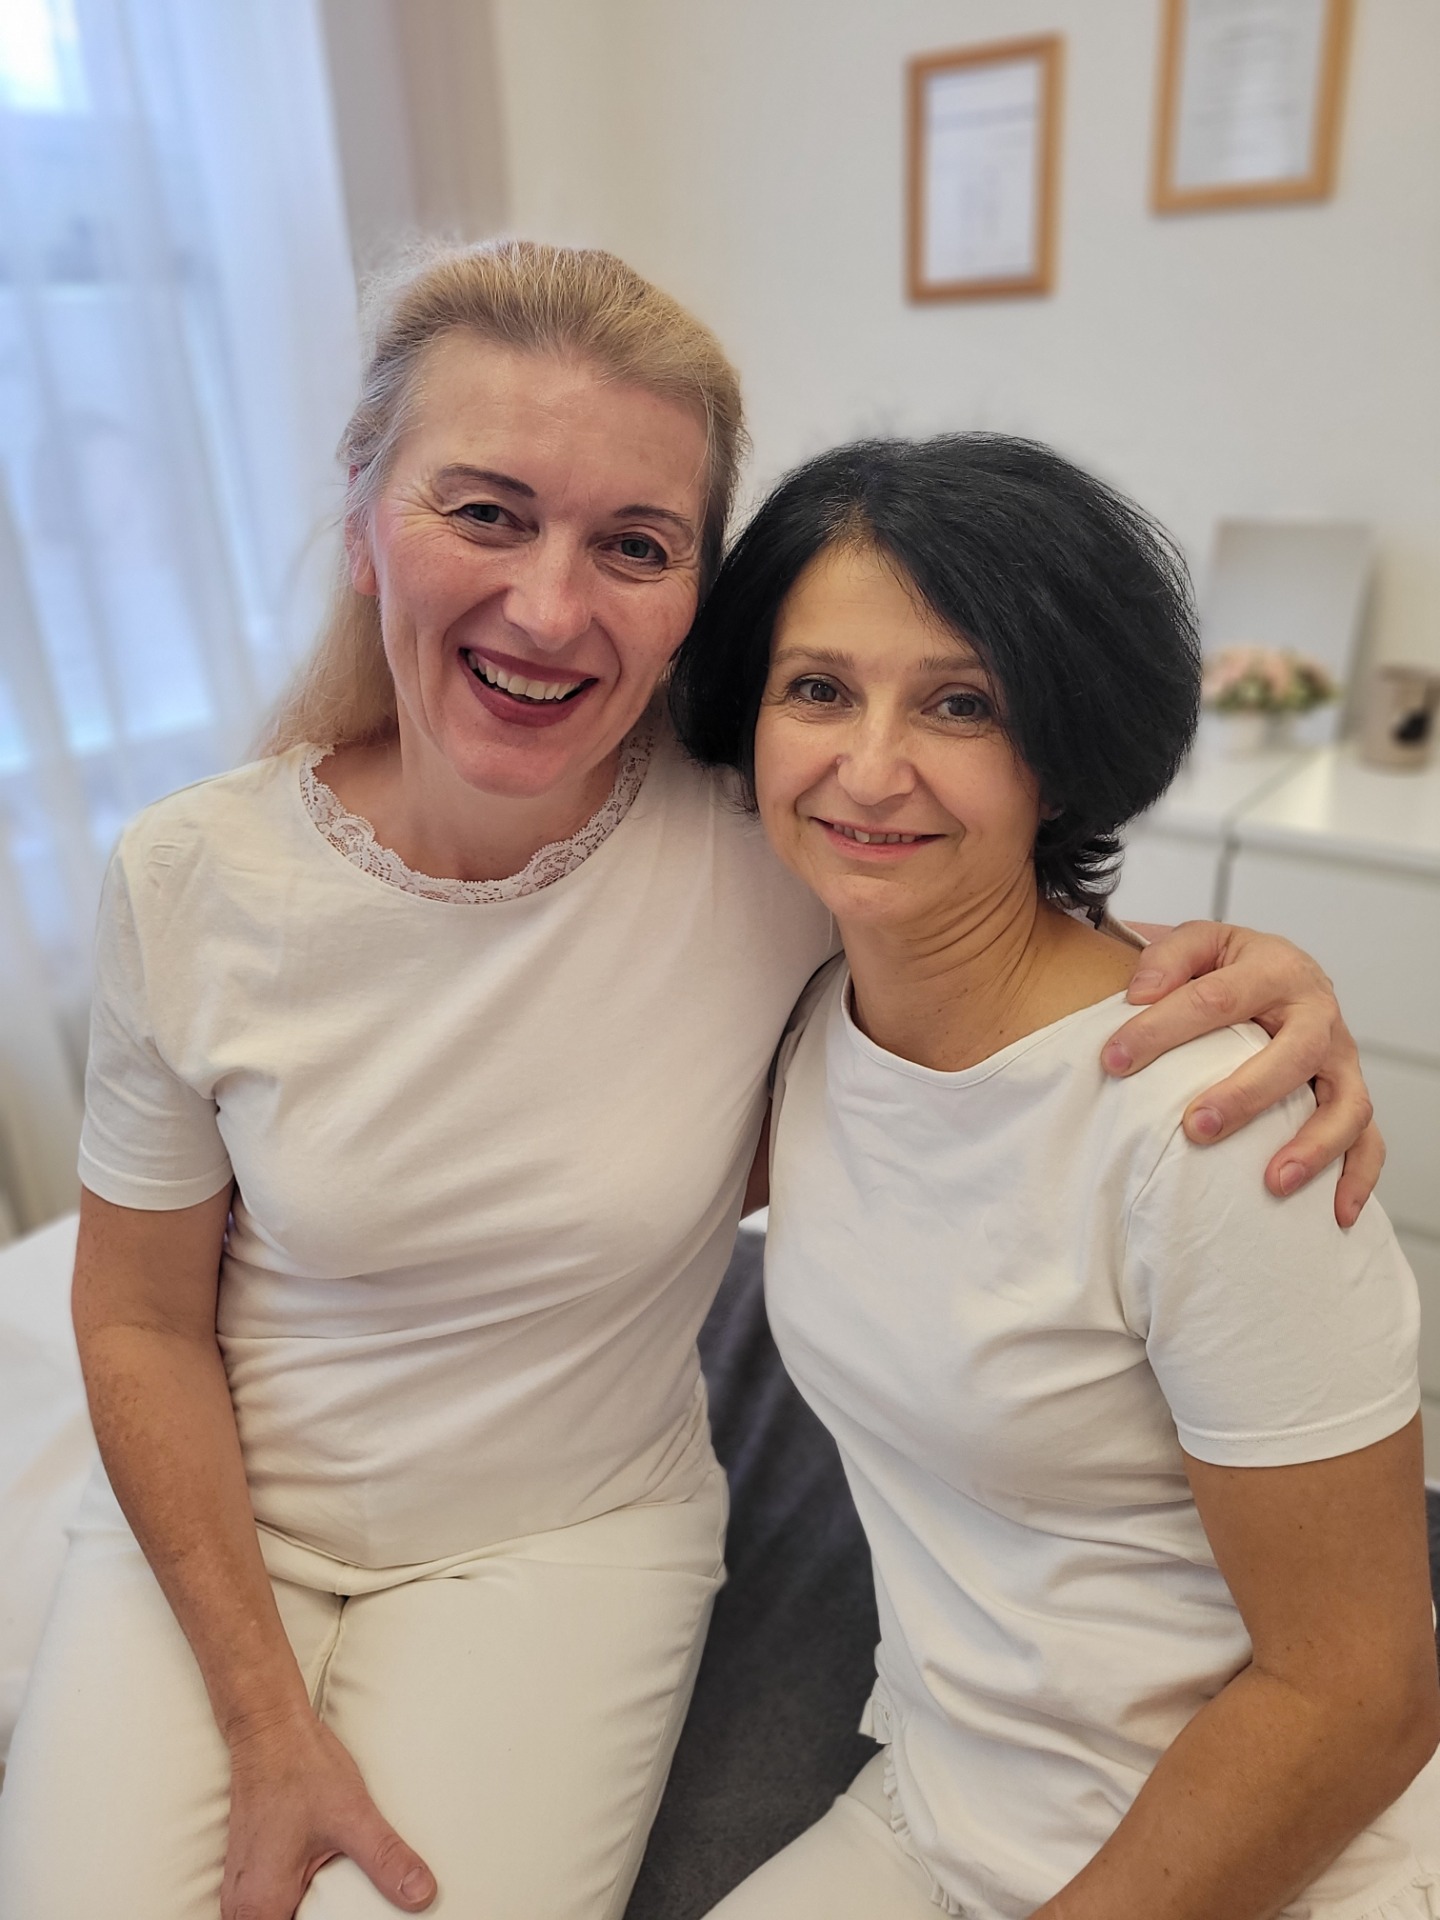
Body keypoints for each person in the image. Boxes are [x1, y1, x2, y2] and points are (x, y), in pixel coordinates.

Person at [0, 245, 1385, 1920]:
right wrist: (261, 1716)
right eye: (486, 512)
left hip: (568, 1542)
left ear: (691, 600)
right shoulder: (193, 878)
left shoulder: (760, 848)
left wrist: (1250, 981)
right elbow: (136, 1315)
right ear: (363, 514)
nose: (548, 608)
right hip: (247, 1540)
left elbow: (994, 945)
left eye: (636, 545)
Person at [667, 434, 1440, 1920]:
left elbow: (1362, 1697)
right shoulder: (807, 1014)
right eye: (817, 689)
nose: (869, 768)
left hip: (1257, 1863)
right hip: (943, 1803)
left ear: (1061, 743)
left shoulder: (1207, 1126)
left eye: (961, 702)